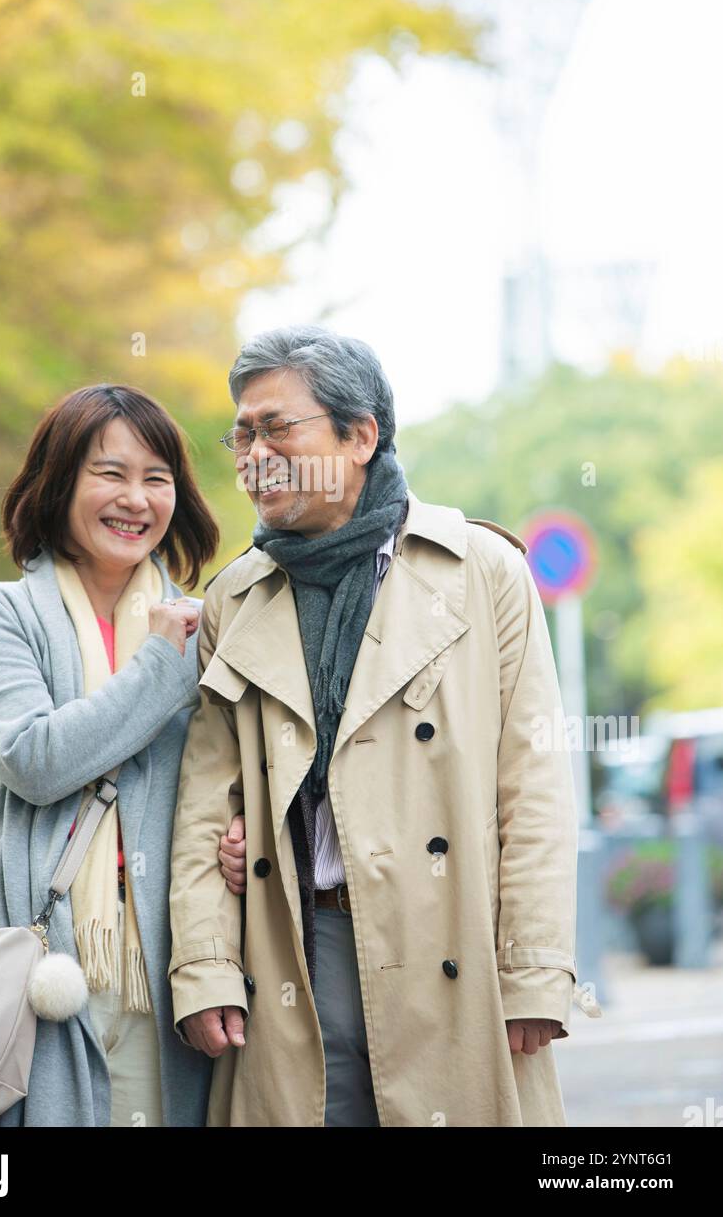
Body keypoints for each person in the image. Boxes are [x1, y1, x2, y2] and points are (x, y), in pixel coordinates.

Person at [168, 325, 599, 1128]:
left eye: (277, 427)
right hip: (292, 952)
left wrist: (536, 973)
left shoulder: (482, 571)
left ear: (360, 434)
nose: (252, 454)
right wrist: (204, 967)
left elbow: (532, 789)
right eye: (242, 434)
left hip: (454, 948)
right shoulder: (236, 598)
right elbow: (205, 805)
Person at [0, 382, 243, 1127]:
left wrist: (245, 833)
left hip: (161, 965)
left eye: (157, 478)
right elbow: (35, 760)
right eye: (109, 473)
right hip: (34, 960)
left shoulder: (216, 628)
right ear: (58, 481)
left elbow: (240, 774)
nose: (134, 499)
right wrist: (161, 669)